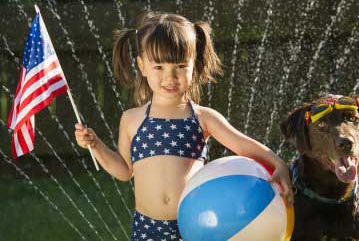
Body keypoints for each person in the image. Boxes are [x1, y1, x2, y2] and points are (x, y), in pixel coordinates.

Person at [75, 12, 293, 241]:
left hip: (194, 226)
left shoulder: (202, 118)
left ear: (194, 64)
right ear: (142, 65)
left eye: (180, 66)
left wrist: (277, 163)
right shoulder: (131, 119)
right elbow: (123, 170)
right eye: (158, 67)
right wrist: (96, 145)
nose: (170, 77)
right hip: (147, 228)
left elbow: (242, 144)